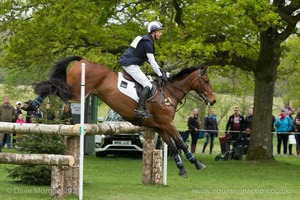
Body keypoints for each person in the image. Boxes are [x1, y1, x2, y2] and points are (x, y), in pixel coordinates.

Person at [118, 21, 168, 118]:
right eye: (160, 32)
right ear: (154, 32)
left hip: (131, 63)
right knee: (148, 85)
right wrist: (160, 75)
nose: (161, 34)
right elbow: (152, 61)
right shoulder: (147, 42)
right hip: (130, 64)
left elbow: (150, 61)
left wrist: (160, 70)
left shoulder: (146, 39)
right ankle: (140, 109)